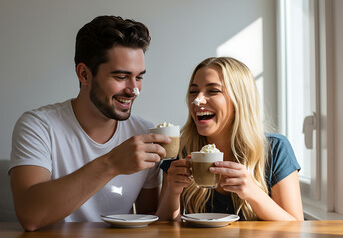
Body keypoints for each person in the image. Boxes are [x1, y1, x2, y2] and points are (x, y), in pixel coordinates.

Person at [9, 15, 170, 231]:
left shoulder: (142, 131)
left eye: (139, 77)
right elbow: (30, 216)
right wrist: (111, 164)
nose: (134, 90)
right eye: (121, 77)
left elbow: (147, 218)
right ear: (84, 74)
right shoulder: (38, 126)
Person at [156, 57, 304, 221]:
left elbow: (296, 227)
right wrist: (172, 191)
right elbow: (163, 229)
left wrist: (252, 192)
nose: (197, 100)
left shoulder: (275, 148)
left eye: (213, 91)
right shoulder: (180, 150)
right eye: (193, 92)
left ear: (239, 99)